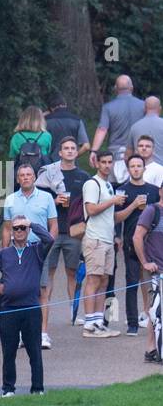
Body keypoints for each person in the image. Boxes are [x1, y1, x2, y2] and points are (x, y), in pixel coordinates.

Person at [0, 216, 54, 395]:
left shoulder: (36, 251)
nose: (20, 231)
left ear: (28, 230)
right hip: (9, 309)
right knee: (9, 351)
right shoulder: (4, 254)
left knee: (34, 350)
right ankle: (8, 389)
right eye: (16, 228)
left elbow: (49, 239)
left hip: (31, 309)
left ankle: (37, 388)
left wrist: (32, 224)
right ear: (11, 232)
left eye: (23, 228)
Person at [35, 136, 91, 348]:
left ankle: (73, 311)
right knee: (47, 272)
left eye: (72, 148)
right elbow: (38, 197)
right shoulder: (49, 175)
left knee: (72, 272)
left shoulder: (83, 176)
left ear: (77, 152)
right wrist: (54, 199)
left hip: (74, 231)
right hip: (51, 231)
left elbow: (89, 203)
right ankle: (44, 311)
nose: (69, 151)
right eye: (65, 148)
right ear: (59, 152)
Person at [115, 154, 161, 337]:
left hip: (153, 243)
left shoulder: (154, 190)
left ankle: (155, 318)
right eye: (132, 166)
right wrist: (133, 205)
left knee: (154, 282)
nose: (135, 168)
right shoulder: (121, 190)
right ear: (128, 169)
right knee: (131, 282)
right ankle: (132, 323)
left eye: (138, 166)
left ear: (144, 168)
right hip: (131, 241)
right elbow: (117, 218)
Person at [80, 151, 126, 338]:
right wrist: (112, 201)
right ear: (96, 164)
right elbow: (90, 209)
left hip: (107, 238)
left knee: (104, 281)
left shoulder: (108, 185)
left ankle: (98, 321)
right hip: (95, 238)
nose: (107, 165)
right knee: (93, 279)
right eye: (103, 162)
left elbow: (111, 217)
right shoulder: (92, 183)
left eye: (109, 162)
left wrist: (117, 234)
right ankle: (89, 323)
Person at [132, 193, 163, 363]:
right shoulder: (152, 211)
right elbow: (137, 237)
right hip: (155, 270)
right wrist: (145, 262)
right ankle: (157, 351)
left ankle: (151, 350)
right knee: (156, 312)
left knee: (156, 312)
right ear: (160, 191)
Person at [91, 74, 146, 168]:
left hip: (115, 153)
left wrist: (94, 151)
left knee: (115, 182)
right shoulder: (144, 106)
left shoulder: (108, 107)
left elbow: (102, 130)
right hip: (138, 152)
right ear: (131, 87)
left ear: (115, 88)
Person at [9, 106, 53, 187]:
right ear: (41, 120)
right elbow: (48, 153)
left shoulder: (16, 137)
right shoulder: (46, 136)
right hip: (41, 175)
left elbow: (12, 158)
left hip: (22, 176)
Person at [44, 93, 90, 159]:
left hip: (51, 162)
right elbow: (86, 146)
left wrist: (43, 115)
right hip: (71, 164)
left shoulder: (46, 121)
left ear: (50, 108)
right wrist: (73, 156)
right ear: (65, 105)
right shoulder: (77, 120)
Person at [129, 97, 163, 162]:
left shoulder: (134, 127)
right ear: (160, 108)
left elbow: (128, 154)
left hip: (140, 169)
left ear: (144, 109)